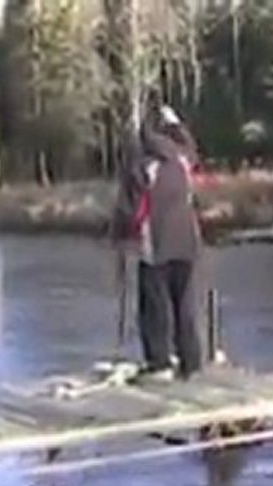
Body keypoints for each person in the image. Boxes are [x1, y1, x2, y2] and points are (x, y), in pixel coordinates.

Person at [111, 105, 204, 380]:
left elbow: (128, 209)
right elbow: (191, 146)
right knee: (185, 305)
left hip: (156, 245)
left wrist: (119, 240)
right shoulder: (182, 158)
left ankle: (160, 362)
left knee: (154, 307)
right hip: (187, 244)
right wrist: (176, 123)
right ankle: (191, 362)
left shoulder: (142, 165)